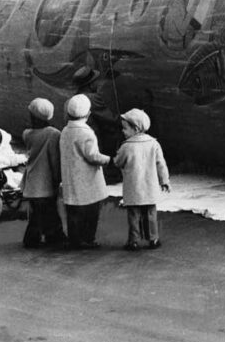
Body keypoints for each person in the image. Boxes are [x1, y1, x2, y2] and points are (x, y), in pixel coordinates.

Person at [112, 108, 171, 251]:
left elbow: (117, 162)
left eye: (125, 128)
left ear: (136, 128)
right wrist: (164, 181)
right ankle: (154, 239)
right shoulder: (154, 144)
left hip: (134, 189)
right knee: (151, 213)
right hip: (150, 188)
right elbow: (161, 164)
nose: (122, 131)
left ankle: (134, 241)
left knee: (133, 214)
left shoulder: (126, 146)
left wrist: (116, 155)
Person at [58, 94, 111, 249]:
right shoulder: (86, 133)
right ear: (88, 114)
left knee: (73, 212)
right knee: (91, 212)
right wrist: (107, 159)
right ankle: (88, 239)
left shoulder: (65, 131)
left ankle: (74, 239)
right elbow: (93, 156)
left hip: (70, 178)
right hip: (87, 181)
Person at [20, 98, 66, 249]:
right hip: (45, 182)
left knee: (38, 213)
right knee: (47, 211)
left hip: (31, 181)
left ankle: (42, 236)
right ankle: (50, 236)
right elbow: (54, 159)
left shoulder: (27, 134)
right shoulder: (54, 134)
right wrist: (57, 178)